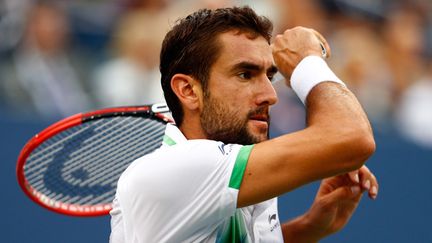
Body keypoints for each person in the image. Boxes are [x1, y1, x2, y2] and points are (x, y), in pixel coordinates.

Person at [110, 6, 378, 242]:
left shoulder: (235, 165)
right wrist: (308, 63)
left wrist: (307, 228)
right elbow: (353, 138)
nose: (270, 96)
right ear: (189, 91)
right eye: (245, 74)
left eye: (269, 76)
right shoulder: (177, 168)